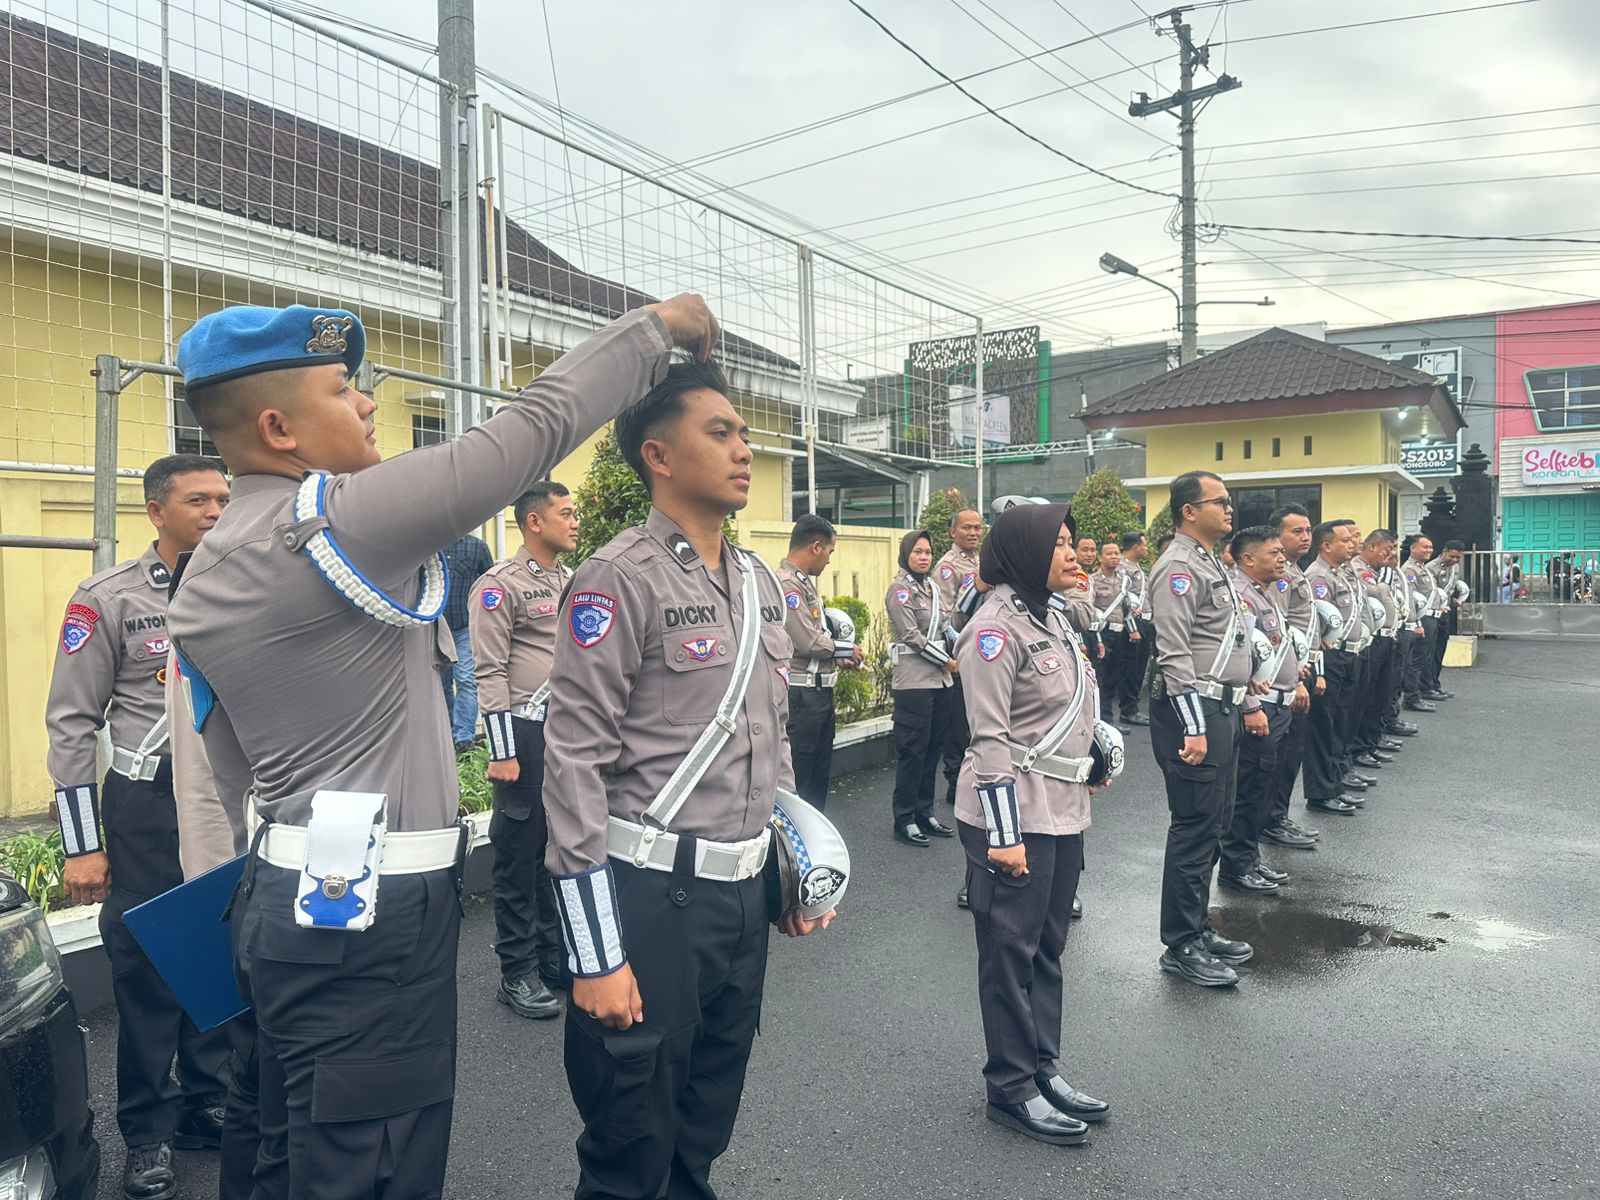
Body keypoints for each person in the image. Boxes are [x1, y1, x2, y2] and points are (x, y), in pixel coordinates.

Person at [167, 296, 718, 1198]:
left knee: (277, 1153)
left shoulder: (218, 561)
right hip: (368, 917)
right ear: (279, 427)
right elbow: (520, 438)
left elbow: (226, 764)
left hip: (284, 896)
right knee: (371, 1168)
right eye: (345, 390)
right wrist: (654, 332)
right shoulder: (327, 526)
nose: (369, 404)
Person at [541, 358, 836, 1200]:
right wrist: (596, 953)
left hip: (739, 900)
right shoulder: (617, 577)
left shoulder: (757, 583)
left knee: (705, 1118)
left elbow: (768, 745)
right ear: (658, 457)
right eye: (721, 433)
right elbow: (574, 764)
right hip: (648, 896)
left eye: (744, 433)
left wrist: (789, 869)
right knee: (631, 1135)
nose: (745, 448)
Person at [46, 454, 235, 1200]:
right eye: (198, 500)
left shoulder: (247, 589)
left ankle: (205, 1103)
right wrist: (82, 842)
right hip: (146, 805)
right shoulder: (110, 599)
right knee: (152, 970)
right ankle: (148, 1133)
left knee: (217, 954)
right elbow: (70, 724)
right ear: (157, 511)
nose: (217, 511)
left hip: (225, 802)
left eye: (224, 497)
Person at [955, 502, 1110, 1146]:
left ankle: (1045, 1067)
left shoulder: (1056, 620)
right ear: (1023, 553)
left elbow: (1071, 709)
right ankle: (1011, 1086)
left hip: (1062, 808)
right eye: (1060, 545)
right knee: (1008, 952)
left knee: (1047, 947)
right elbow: (989, 740)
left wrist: (1094, 755)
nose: (1072, 555)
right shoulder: (994, 631)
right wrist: (1003, 834)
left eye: (1073, 543)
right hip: (1012, 814)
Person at [470, 481, 579, 1019]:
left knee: (556, 851)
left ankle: (551, 958)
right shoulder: (499, 586)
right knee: (517, 856)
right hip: (524, 734)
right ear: (534, 522)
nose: (574, 520)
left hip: (566, 733)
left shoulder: (572, 582)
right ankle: (517, 972)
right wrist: (503, 750)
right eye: (565, 513)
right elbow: (488, 669)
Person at [1146, 471, 1257, 987]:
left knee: (1215, 823)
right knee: (1193, 828)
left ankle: (1197, 925)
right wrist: (1195, 728)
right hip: (1195, 714)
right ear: (1189, 511)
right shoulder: (1178, 569)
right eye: (1221, 502)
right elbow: (1173, 654)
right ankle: (1180, 944)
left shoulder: (1210, 561)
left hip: (1222, 710)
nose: (1230, 509)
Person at [1218, 526, 1299, 894]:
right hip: (1259, 707)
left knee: (1264, 788)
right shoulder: (1241, 596)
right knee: (1248, 789)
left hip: (1278, 704)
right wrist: (1251, 705)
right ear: (1248, 558)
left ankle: (1250, 859)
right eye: (1275, 552)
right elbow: (1240, 654)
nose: (1283, 558)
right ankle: (1236, 866)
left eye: (1283, 552)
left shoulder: (1267, 593)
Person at [778, 514, 860, 811]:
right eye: (829, 552)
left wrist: (837, 659)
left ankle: (812, 851)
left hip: (818, 695)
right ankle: (794, 853)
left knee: (817, 782)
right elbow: (807, 642)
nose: (828, 560)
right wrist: (847, 649)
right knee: (800, 783)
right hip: (802, 699)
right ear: (815, 547)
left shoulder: (804, 583)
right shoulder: (788, 585)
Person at [886, 530, 959, 847]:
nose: (924, 557)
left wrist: (962, 650)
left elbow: (946, 627)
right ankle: (904, 818)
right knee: (913, 751)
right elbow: (911, 636)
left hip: (940, 682)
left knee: (933, 749)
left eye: (928, 552)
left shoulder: (931, 587)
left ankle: (924, 811)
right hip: (914, 682)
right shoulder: (899, 591)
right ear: (906, 555)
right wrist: (946, 660)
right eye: (917, 552)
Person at [1260, 505, 1321, 851]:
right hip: (1284, 681)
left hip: (1301, 672)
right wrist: (1295, 680)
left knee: (1292, 752)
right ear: (1276, 536)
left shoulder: (1295, 572)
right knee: (1278, 757)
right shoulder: (1279, 577)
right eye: (1297, 532)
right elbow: (1276, 632)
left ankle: (1278, 815)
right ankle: (1271, 820)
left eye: (1308, 531)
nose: (1305, 538)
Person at [1303, 521, 1368, 817]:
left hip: (1349, 656)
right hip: (1330, 659)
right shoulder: (1317, 576)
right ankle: (1321, 792)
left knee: (1341, 722)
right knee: (1323, 726)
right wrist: (1319, 668)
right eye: (1344, 540)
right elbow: (1316, 624)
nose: (1352, 545)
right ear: (1326, 545)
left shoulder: (1341, 572)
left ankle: (1336, 780)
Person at [934, 509, 984, 805]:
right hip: (960, 652)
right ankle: (956, 783)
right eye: (967, 527)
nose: (973, 533)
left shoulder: (982, 562)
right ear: (953, 532)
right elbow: (944, 618)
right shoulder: (947, 567)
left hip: (984, 652)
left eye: (978, 528)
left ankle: (976, 777)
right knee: (958, 724)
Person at [441, 531, 495, 753]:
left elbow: (491, 584)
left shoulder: (477, 548)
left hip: (466, 626)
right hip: (436, 628)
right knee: (441, 684)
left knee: (466, 679)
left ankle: (464, 738)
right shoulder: (431, 549)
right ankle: (445, 735)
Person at [1087, 539, 1131, 725]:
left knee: (1115, 675)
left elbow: (1126, 608)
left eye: (1116, 553)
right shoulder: (1093, 580)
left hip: (1119, 633)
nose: (1114, 557)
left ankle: (1109, 716)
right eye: (1109, 553)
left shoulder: (1124, 581)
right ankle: (1101, 719)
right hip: (1101, 634)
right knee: (1100, 676)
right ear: (1100, 557)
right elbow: (1089, 609)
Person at [1113, 531, 1152, 727]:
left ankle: (1132, 707)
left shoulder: (1137, 567)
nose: (1146, 548)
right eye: (1144, 545)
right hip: (1132, 622)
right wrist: (1131, 623)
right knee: (1130, 666)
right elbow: (1122, 594)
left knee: (1139, 666)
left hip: (1145, 621)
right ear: (1136, 546)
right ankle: (1128, 709)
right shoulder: (1121, 567)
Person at [1402, 535, 1444, 710]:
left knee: (1426, 657)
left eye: (1431, 547)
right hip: (1423, 618)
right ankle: (1412, 697)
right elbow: (1411, 598)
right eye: (1425, 547)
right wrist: (1417, 622)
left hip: (1432, 617)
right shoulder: (1410, 569)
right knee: (1416, 659)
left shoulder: (1423, 568)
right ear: (1413, 548)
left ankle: (1422, 691)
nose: (1429, 551)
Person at [1427, 540, 1465, 692]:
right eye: (1452, 556)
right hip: (1433, 613)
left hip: (1446, 612)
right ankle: (1426, 686)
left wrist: (1455, 599)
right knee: (1430, 651)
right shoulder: (1430, 568)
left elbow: (1450, 589)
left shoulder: (1454, 568)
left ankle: (1435, 683)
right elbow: (1430, 591)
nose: (1455, 560)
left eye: (1458, 558)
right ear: (1444, 551)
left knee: (1440, 650)